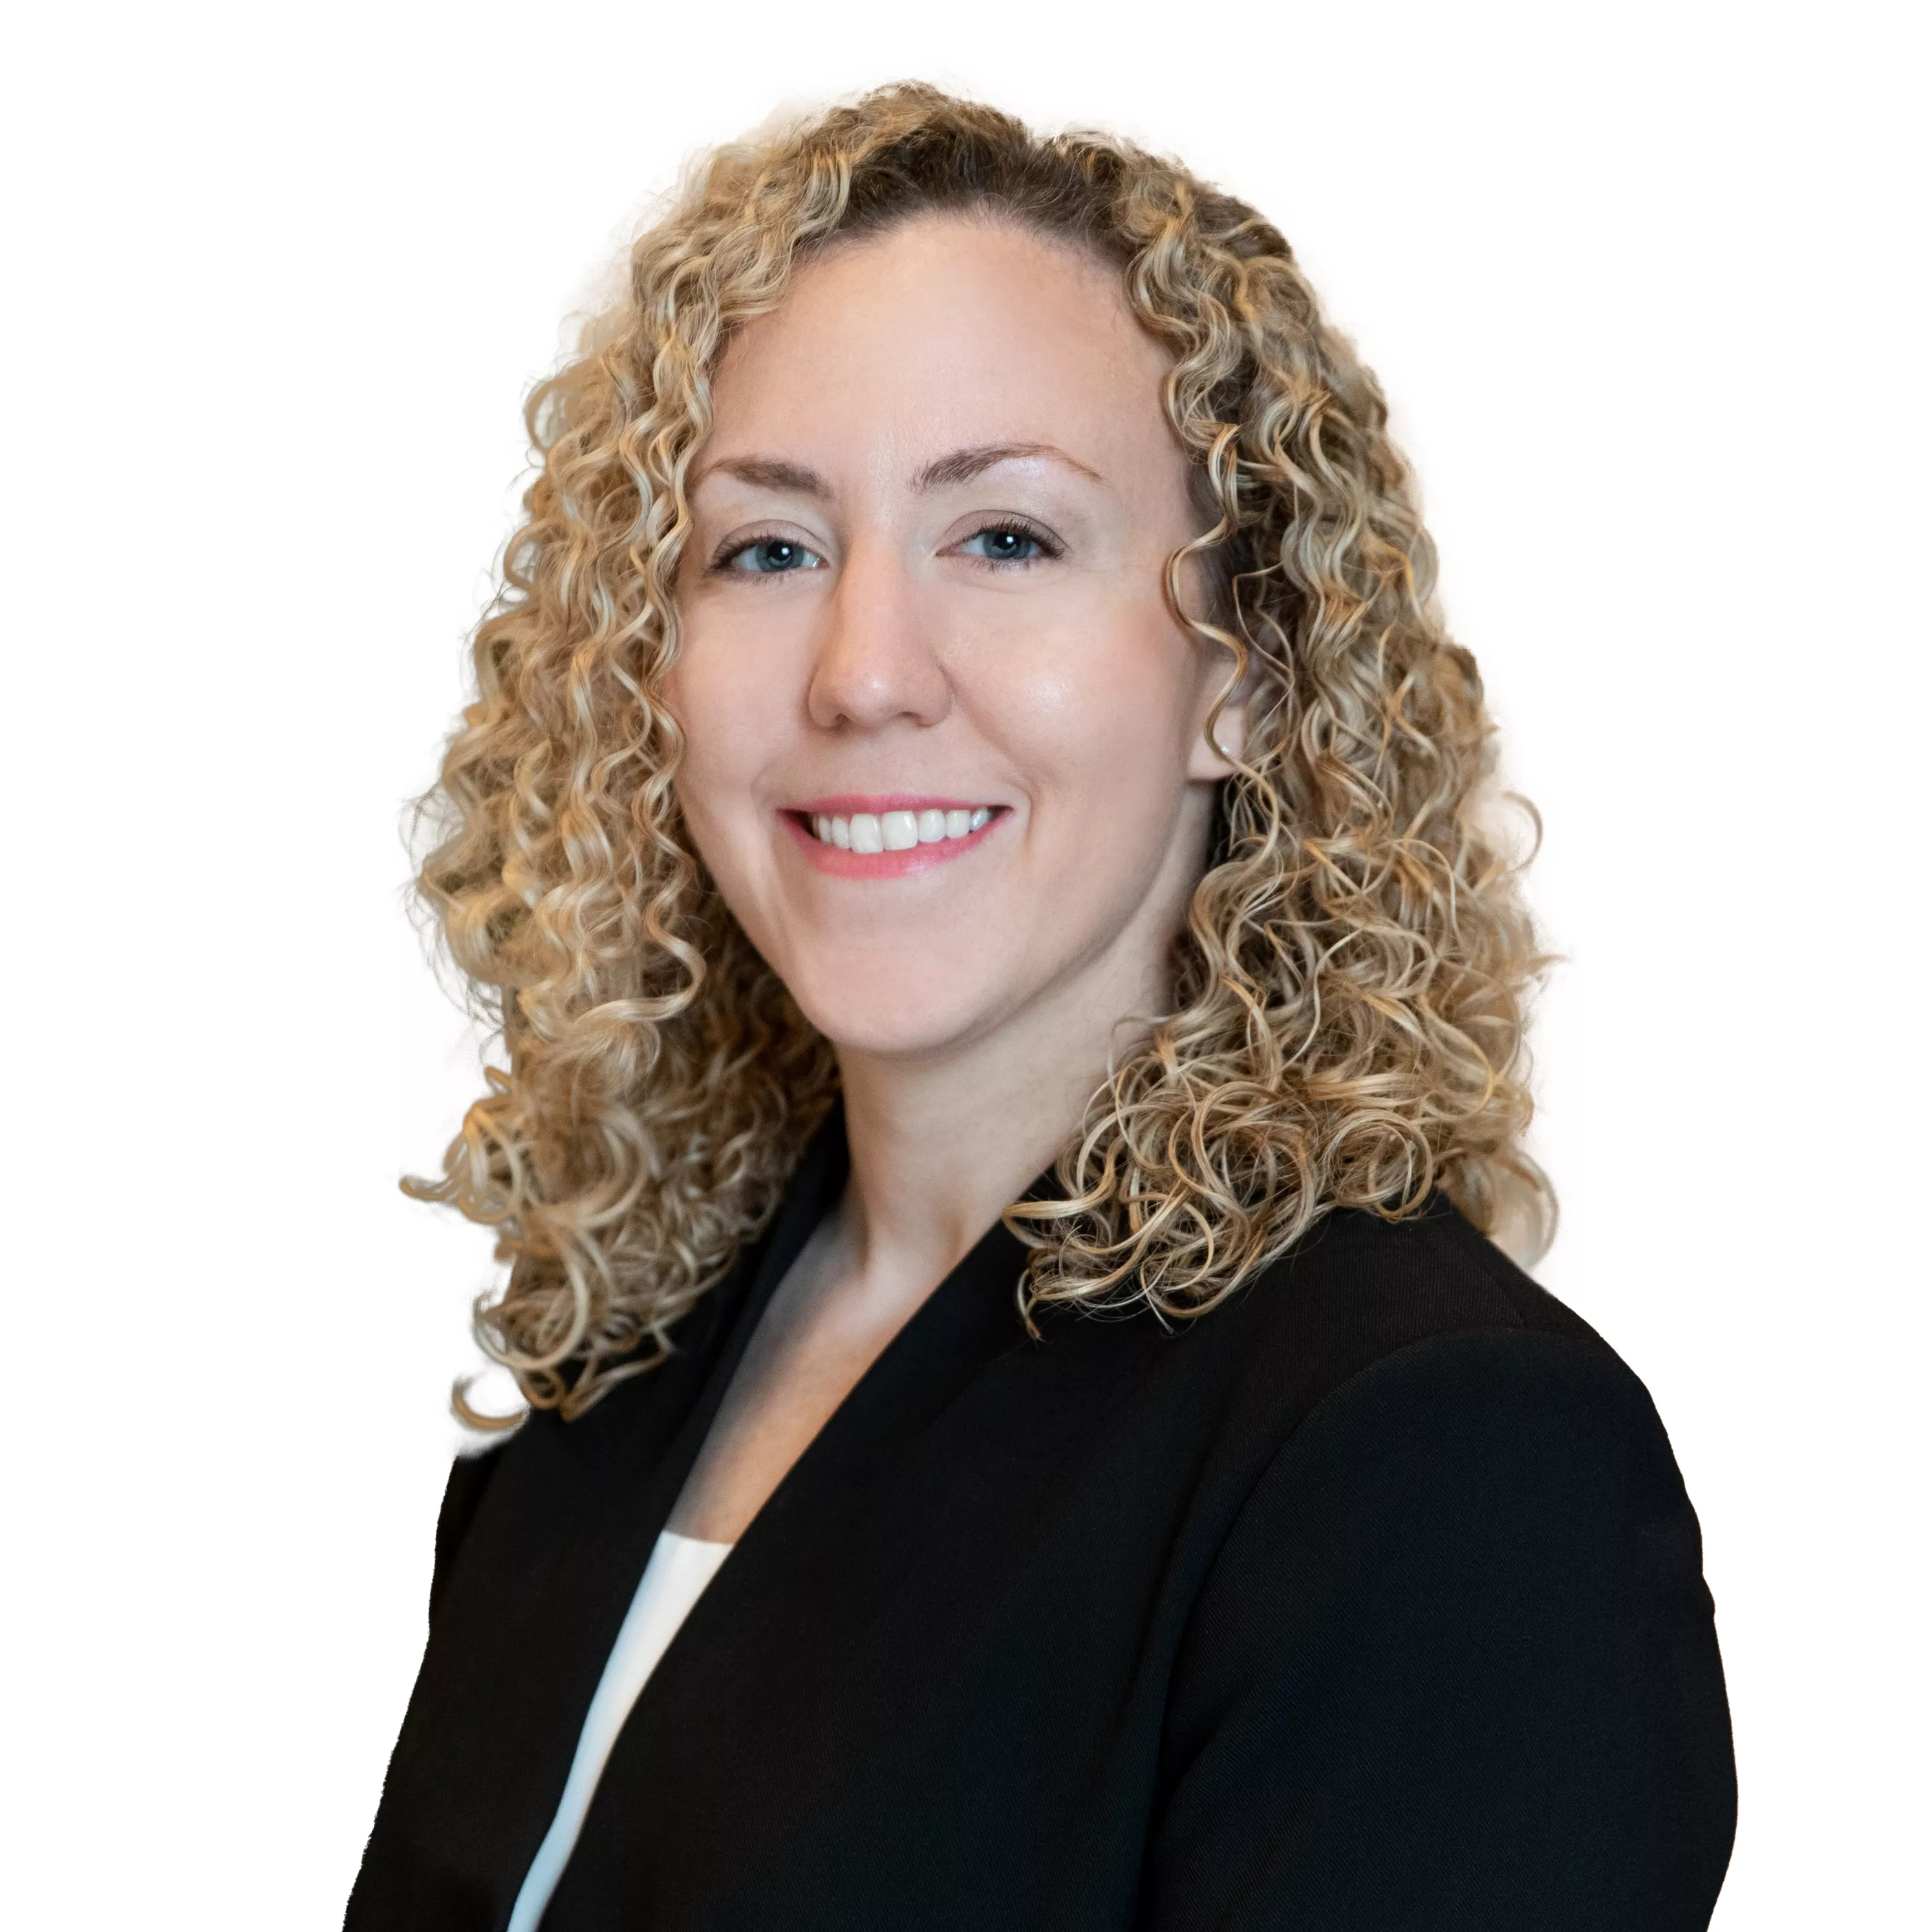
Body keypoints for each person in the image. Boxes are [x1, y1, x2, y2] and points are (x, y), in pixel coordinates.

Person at [347, 83, 1735, 1931]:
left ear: (1247, 673)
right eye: (764, 547)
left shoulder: (1430, 1461)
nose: (859, 670)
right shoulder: (615, 1393)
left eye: (1003, 538)